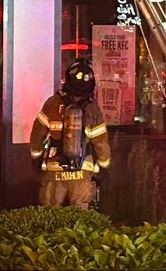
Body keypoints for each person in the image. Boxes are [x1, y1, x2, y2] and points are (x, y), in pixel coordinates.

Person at [29, 59, 111, 208]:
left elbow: (37, 135)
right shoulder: (93, 109)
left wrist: (36, 158)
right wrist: (103, 166)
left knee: (51, 213)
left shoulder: (52, 103)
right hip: (82, 171)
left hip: (55, 169)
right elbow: (100, 142)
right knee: (81, 220)